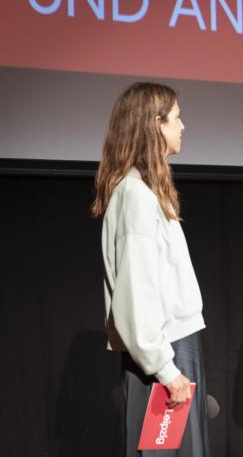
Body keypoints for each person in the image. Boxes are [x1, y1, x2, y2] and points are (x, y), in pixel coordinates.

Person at [92, 82, 210, 456]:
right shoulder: (135, 196)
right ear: (154, 124)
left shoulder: (145, 192)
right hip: (164, 352)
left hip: (174, 346)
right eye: (176, 117)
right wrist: (166, 369)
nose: (183, 126)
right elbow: (135, 293)